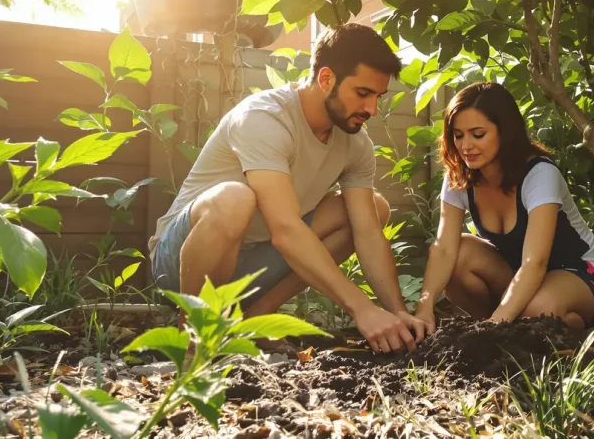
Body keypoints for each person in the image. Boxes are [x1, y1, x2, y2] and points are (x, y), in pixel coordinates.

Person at [148, 23, 431, 354]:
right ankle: (196, 339)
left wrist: (396, 312)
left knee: (374, 208)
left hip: (257, 264)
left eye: (378, 97)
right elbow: (285, 230)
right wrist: (362, 309)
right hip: (180, 262)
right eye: (363, 94)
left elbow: (368, 233)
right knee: (234, 199)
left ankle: (254, 321)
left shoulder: (355, 144)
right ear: (326, 79)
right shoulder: (264, 118)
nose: (371, 109)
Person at [413, 82, 594, 331]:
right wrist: (424, 310)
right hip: (518, 276)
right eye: (458, 135)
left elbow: (535, 263)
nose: (465, 146)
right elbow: (443, 250)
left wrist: (496, 327)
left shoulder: (539, 175)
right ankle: (517, 328)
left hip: (575, 274)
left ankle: (512, 327)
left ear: (505, 131)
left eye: (478, 134)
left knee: (537, 310)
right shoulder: (458, 178)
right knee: (459, 253)